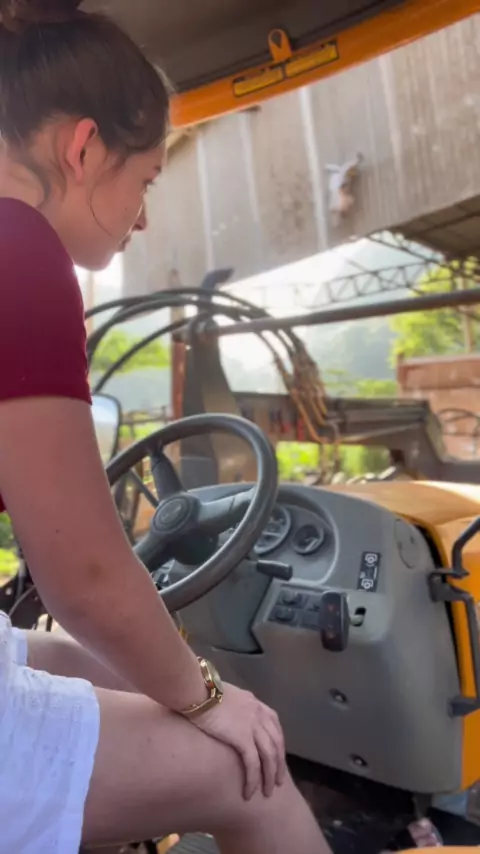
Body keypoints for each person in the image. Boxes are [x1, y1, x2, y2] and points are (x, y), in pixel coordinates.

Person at [0, 1, 330, 852]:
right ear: (82, 149)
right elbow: (83, 576)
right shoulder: (18, 251)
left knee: (114, 676)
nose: (144, 216)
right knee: (252, 773)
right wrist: (213, 699)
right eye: (146, 179)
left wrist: (182, 690)